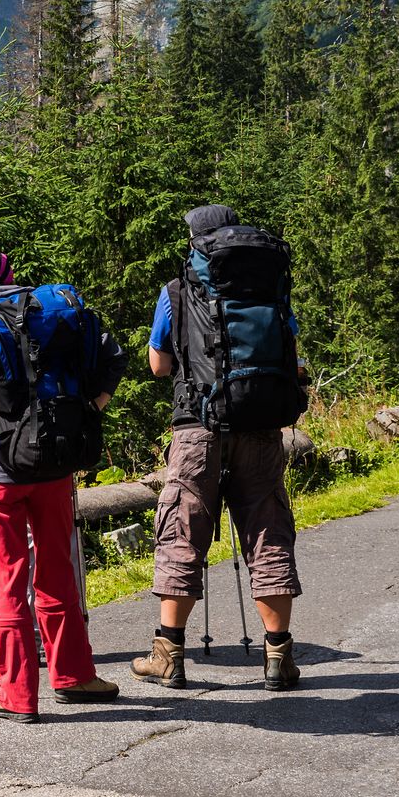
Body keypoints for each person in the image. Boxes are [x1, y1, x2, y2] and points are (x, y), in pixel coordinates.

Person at [0, 247, 126, 721]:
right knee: (58, 570)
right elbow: (112, 357)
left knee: (4, 577)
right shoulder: (50, 311)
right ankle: (74, 676)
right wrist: (90, 410)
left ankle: (16, 695)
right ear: (13, 276)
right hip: (55, 467)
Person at [132, 204, 305, 692]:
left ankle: (169, 655)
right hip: (261, 425)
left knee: (182, 531)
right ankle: (279, 658)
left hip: (198, 426)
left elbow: (159, 365)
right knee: (268, 528)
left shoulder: (177, 291)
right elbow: (290, 355)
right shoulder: (271, 288)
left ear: (196, 241)